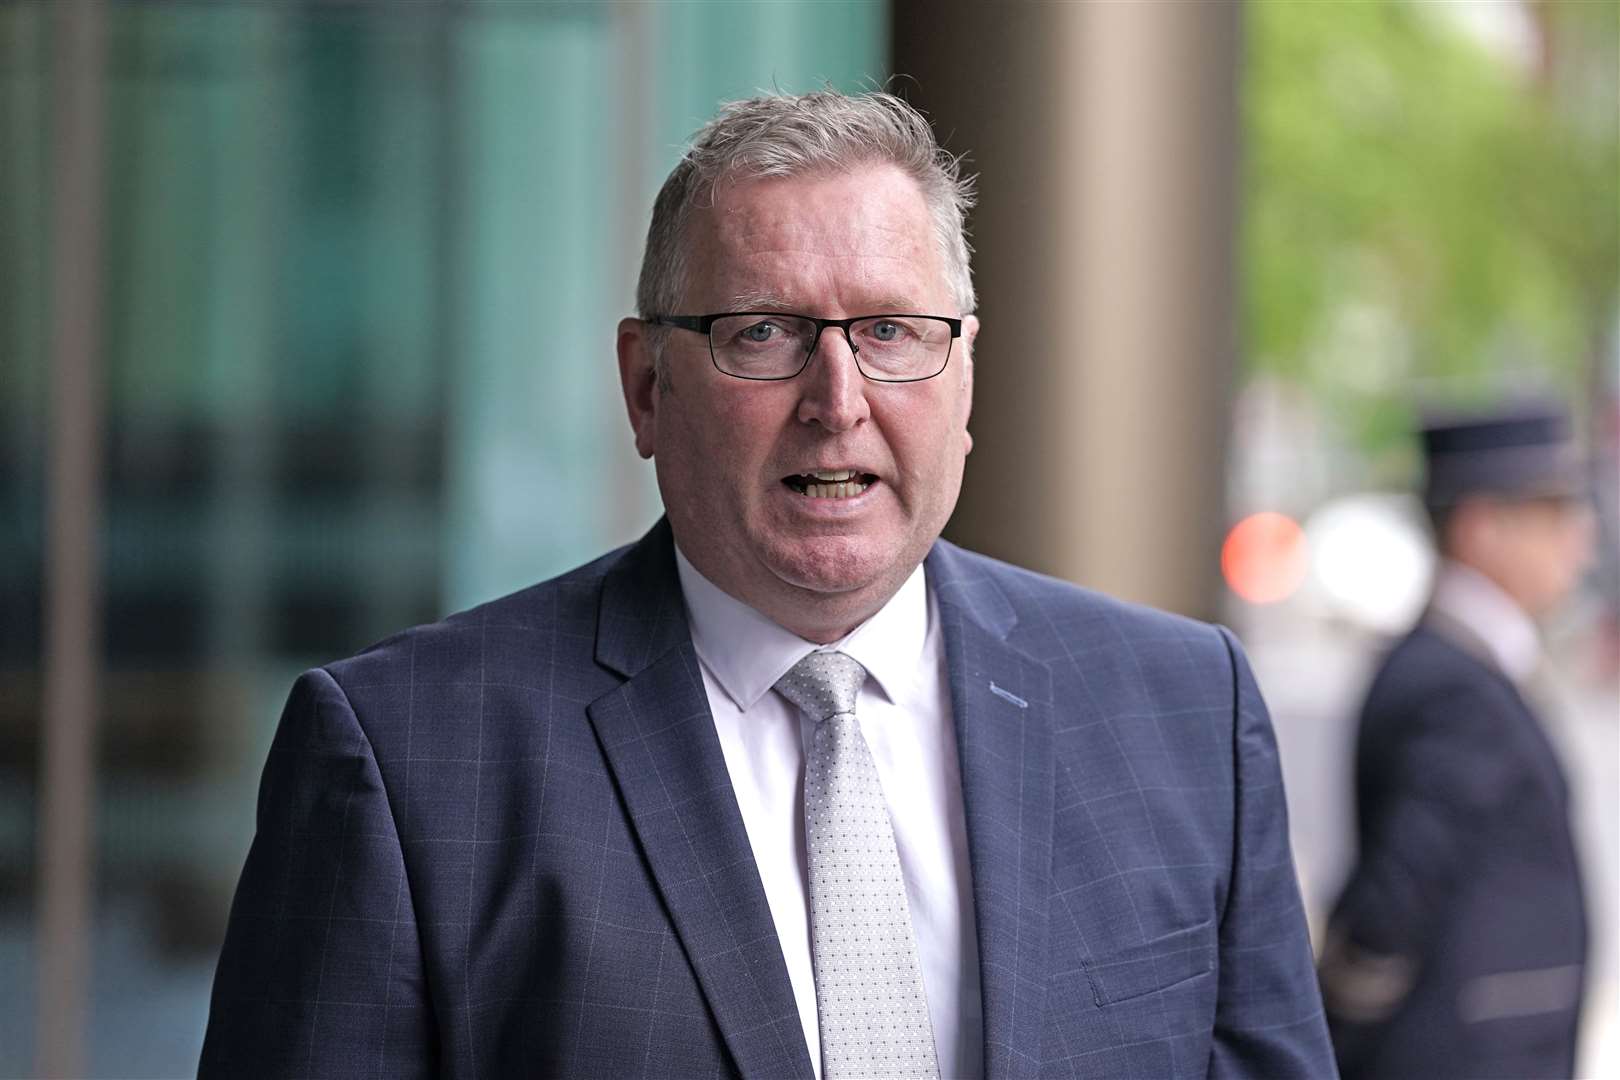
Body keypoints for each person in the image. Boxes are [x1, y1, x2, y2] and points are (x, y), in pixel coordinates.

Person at [200, 90, 1333, 1079]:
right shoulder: (408, 760)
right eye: (765, 333)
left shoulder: (1184, 712)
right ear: (647, 387)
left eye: (891, 330)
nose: (838, 398)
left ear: (966, 374)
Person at [1319, 405, 1595, 1079]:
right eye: (1551, 513)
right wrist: (1343, 1027)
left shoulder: (1465, 663)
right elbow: (1389, 905)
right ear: (1479, 527)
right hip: (1465, 1055)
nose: (1579, 540)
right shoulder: (1451, 683)